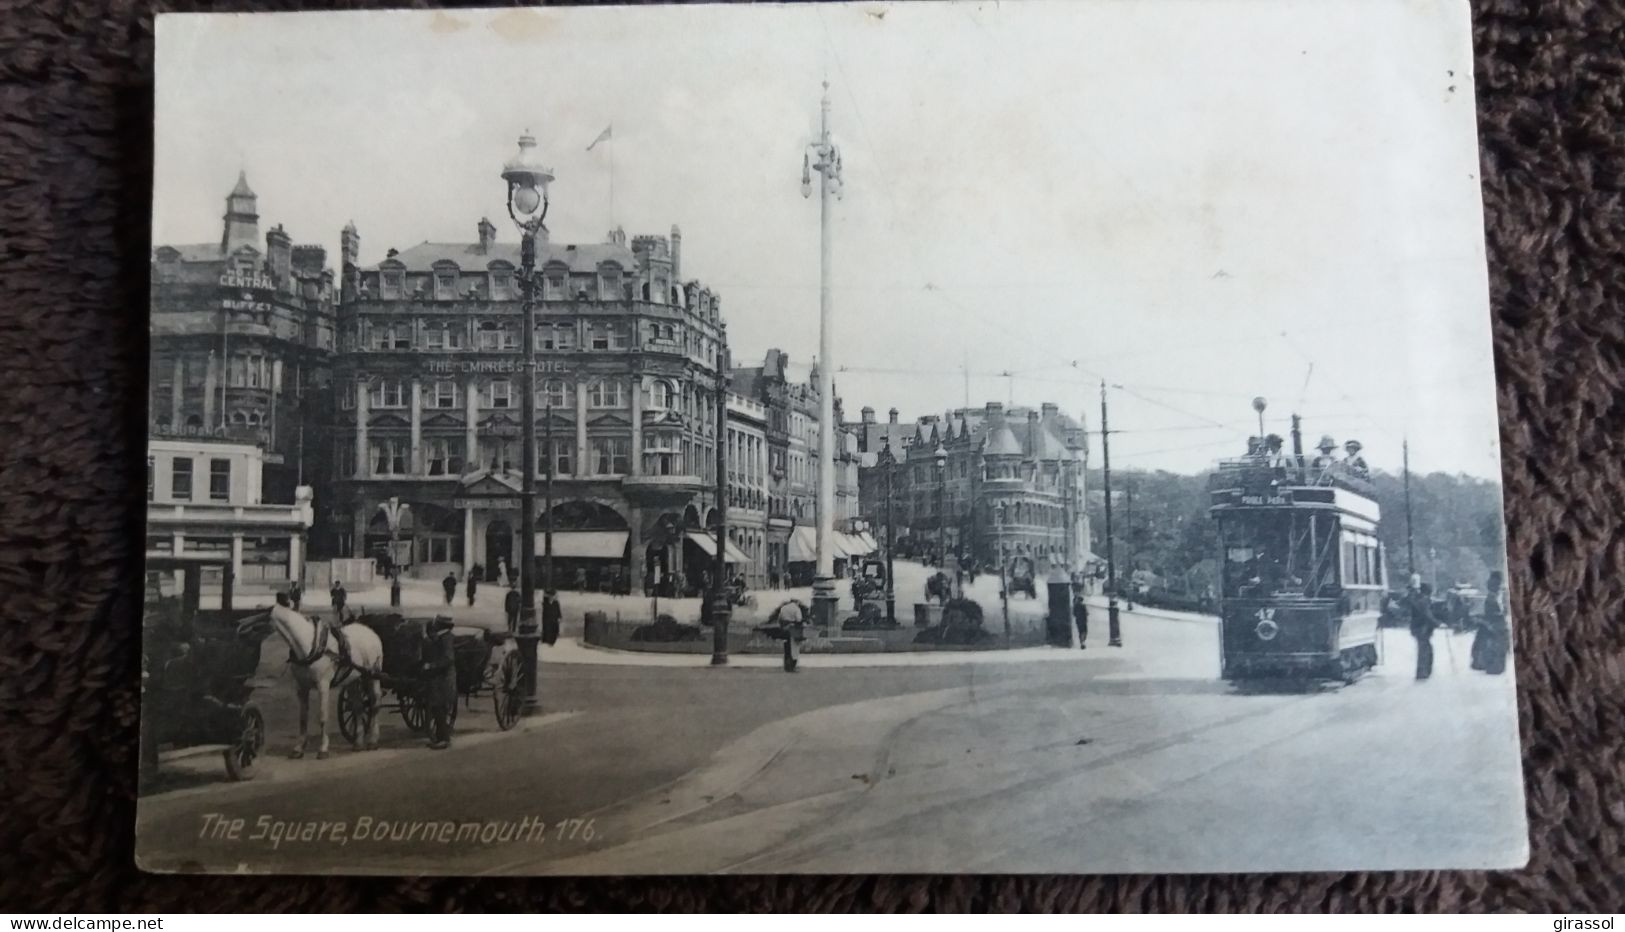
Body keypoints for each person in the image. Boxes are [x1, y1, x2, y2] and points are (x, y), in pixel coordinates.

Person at [421, 617, 458, 750]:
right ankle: (440, 737)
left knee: (439, 707)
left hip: (444, 679)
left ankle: (444, 739)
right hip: (441, 678)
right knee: (437, 707)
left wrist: (431, 666)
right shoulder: (443, 637)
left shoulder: (446, 638)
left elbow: (448, 659)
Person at [1472, 571, 1509, 674]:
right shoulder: (1496, 593)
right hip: (1496, 622)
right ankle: (1493, 666)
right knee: (1496, 645)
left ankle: (1483, 664)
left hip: (1491, 622)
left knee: (1486, 644)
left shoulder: (1491, 594)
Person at [1408, 578, 1437, 680]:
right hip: (1422, 629)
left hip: (1418, 628)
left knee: (1424, 649)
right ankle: (1423, 672)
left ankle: (1422, 672)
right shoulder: (1424, 601)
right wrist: (1437, 623)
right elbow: (1427, 615)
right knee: (1425, 650)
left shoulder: (1419, 600)